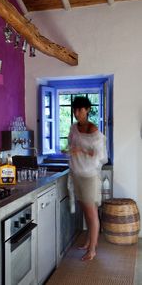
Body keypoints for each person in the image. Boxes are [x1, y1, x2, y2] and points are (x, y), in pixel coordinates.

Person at [68, 96, 107, 261]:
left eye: (80, 110)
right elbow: (71, 147)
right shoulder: (73, 128)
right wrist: (70, 150)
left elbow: (100, 156)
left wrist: (81, 151)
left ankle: (92, 250)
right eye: (75, 110)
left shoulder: (93, 130)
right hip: (77, 174)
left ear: (88, 109)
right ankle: (89, 241)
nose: (77, 113)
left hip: (89, 177)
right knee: (86, 211)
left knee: (92, 214)